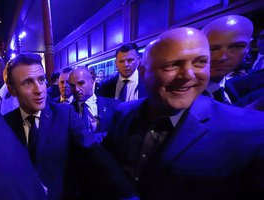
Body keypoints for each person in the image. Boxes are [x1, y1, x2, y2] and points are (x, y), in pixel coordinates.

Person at [104, 27, 264, 200]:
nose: (188, 74)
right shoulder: (123, 113)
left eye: (200, 62)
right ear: (143, 73)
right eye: (172, 64)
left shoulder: (250, 130)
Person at [3, 53, 136, 200]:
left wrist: (127, 194)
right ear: (12, 90)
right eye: (27, 83)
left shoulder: (64, 114)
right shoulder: (4, 124)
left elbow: (95, 154)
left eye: (41, 80)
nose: (39, 89)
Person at [201, 15, 253, 104]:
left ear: (248, 47)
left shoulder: (234, 88)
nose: (222, 57)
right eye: (212, 49)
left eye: (236, 47)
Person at [68, 66, 120, 142]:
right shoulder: (67, 112)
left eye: (81, 83)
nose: (76, 89)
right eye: (72, 85)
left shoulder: (114, 105)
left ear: (92, 82)